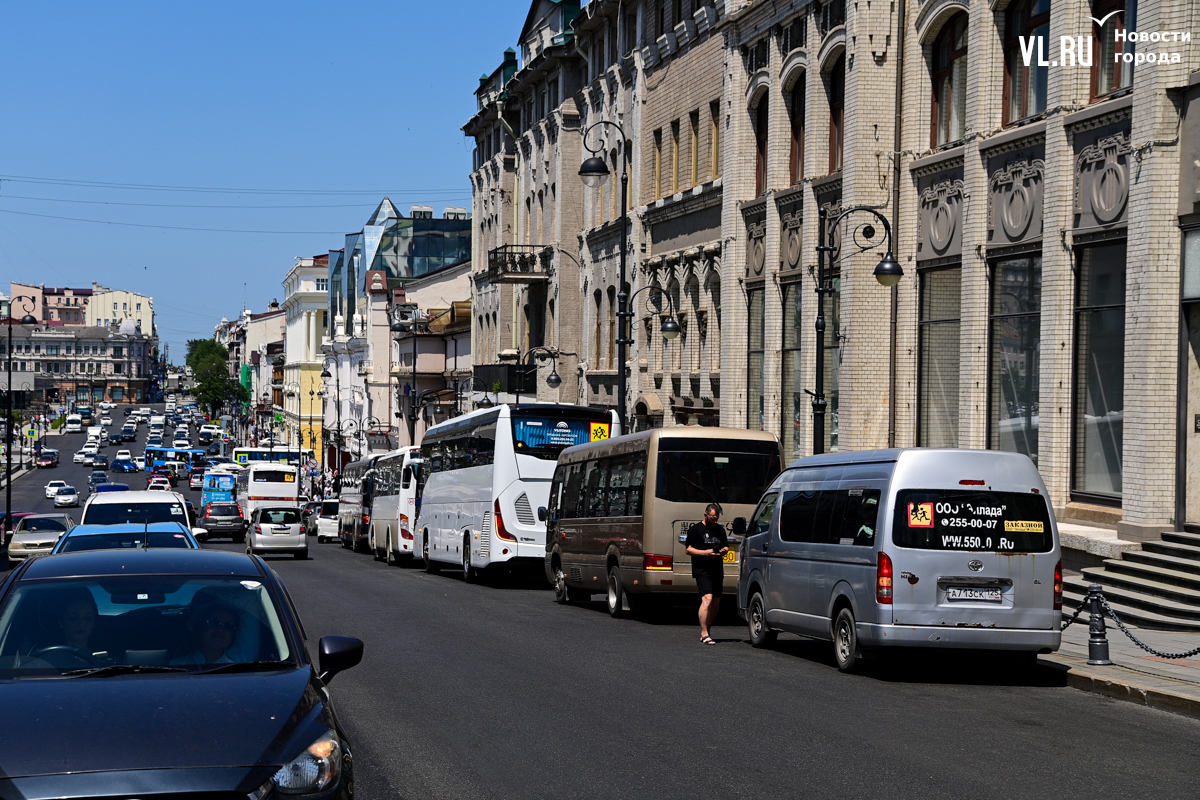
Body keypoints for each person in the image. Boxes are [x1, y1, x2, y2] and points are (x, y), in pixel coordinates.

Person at [685, 503, 728, 645]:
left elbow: (725, 545)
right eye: (712, 518)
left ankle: (707, 631)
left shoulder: (720, 529)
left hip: (717, 568)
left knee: (716, 602)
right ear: (705, 514)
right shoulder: (696, 529)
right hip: (702, 569)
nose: (714, 521)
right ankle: (703, 633)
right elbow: (688, 549)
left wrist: (723, 551)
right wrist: (705, 553)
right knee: (707, 599)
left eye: (716, 518)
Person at [171, 599, 241, 665]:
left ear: (233, 635)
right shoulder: (175, 665)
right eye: (213, 623)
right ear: (200, 628)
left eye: (228, 626)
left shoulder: (241, 671)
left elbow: (248, 600)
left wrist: (203, 607)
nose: (220, 629)